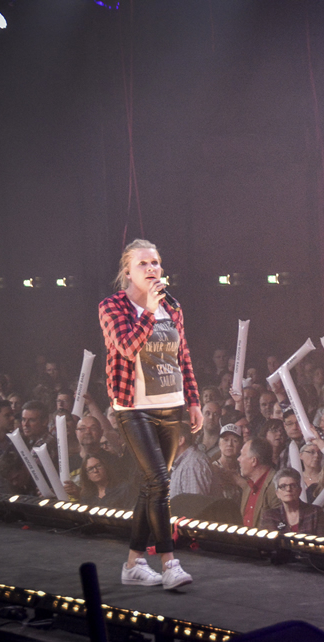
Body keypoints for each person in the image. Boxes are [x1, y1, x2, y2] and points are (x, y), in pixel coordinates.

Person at [99, 239, 202, 590]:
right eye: (143, 263)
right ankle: (170, 562)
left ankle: (133, 565)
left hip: (170, 404)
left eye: (156, 262)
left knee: (151, 486)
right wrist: (147, 311)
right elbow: (127, 347)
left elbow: (182, 355)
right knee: (159, 481)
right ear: (127, 270)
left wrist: (194, 400)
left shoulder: (172, 307)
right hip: (134, 406)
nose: (152, 269)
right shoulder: (112, 306)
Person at [260, 467, 324, 535]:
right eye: (283, 486)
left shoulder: (315, 512)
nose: (288, 489)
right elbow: (266, 545)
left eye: (292, 485)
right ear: (277, 493)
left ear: (300, 490)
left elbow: (321, 543)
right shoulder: (269, 517)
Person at [237, 437, 278, 529]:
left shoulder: (276, 486)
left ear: (254, 461)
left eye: (242, 455)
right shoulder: (248, 486)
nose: (238, 459)